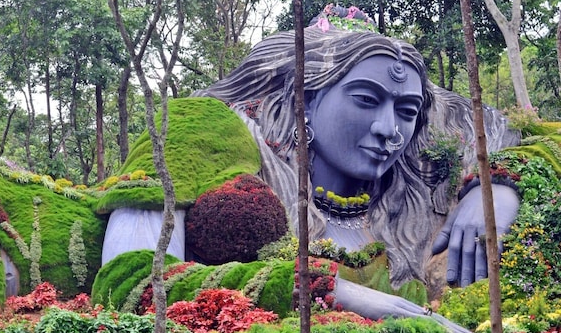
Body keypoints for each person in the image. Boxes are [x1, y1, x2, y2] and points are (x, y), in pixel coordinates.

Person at [192, 25, 521, 294]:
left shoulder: (416, 205)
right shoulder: (248, 184)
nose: (388, 129)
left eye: (406, 111)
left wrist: (495, 188)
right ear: (305, 102)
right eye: (366, 99)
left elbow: (524, 140)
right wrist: (335, 294)